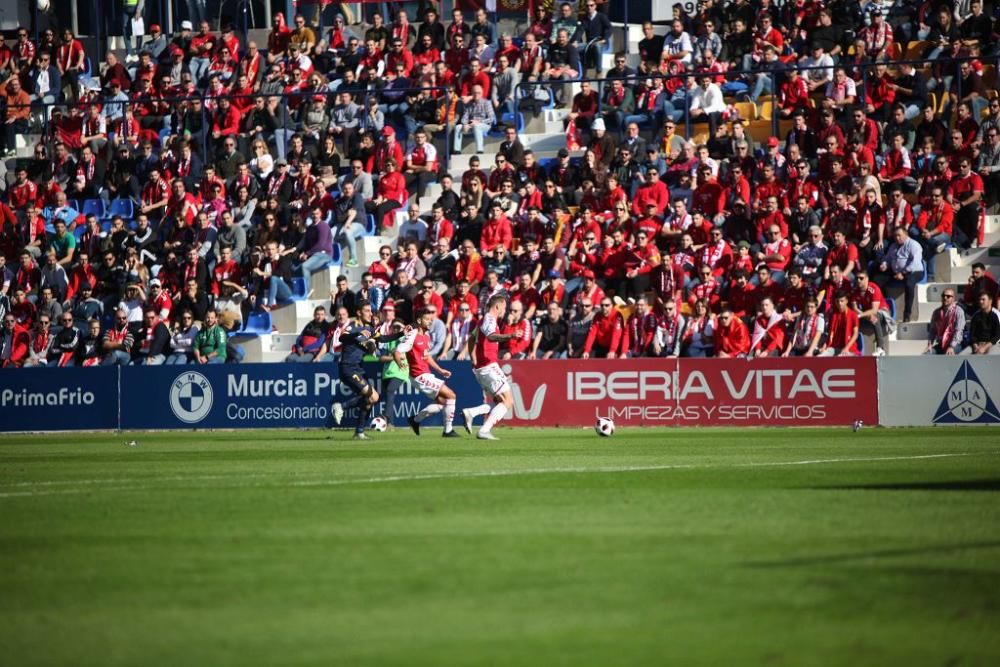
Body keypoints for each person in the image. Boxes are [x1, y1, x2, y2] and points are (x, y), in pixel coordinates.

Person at [330, 301, 404, 439]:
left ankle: (359, 432)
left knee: (373, 398)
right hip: (347, 368)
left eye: (371, 311)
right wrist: (356, 333)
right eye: (367, 311)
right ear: (359, 313)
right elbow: (342, 337)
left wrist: (401, 334)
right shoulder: (353, 326)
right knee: (370, 396)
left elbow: (383, 338)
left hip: (358, 368)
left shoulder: (369, 330)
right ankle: (341, 406)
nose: (370, 314)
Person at [396, 308, 460, 438]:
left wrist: (440, 370)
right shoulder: (412, 335)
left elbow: (427, 357)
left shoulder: (426, 336)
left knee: (443, 403)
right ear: (419, 321)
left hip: (425, 373)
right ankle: (448, 431)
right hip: (418, 375)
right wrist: (400, 363)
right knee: (451, 395)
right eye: (427, 319)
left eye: (431, 319)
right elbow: (397, 351)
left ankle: (415, 420)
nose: (430, 322)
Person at [462, 295, 517, 441]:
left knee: (498, 401)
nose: (505, 311)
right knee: (508, 401)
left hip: (483, 367)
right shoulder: (490, 319)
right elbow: (492, 337)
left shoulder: (482, 320)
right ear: (497, 307)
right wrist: (510, 335)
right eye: (504, 307)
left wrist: (473, 357)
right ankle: (484, 431)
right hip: (489, 366)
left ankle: (471, 412)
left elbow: (472, 338)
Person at [924, 289, 966, 355]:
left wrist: (951, 346)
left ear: (953, 298)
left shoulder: (958, 311)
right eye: (943, 296)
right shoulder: (937, 312)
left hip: (955, 344)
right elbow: (932, 331)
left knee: (948, 354)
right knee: (926, 354)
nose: (945, 298)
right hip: (941, 344)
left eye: (948, 296)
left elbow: (959, 331)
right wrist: (930, 344)